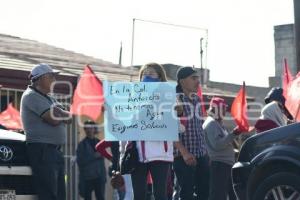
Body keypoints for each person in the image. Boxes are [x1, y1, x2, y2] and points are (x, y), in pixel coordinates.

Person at [20, 63, 72, 200]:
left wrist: (58, 113)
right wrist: (59, 113)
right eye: (51, 77)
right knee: (49, 194)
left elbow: (70, 117)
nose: (54, 80)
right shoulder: (31, 95)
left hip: (52, 151)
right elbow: (53, 119)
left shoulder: (49, 97)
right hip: (42, 150)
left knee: (59, 195)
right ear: (41, 78)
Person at [130, 63, 174, 200]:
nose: (147, 76)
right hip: (137, 154)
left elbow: (171, 123)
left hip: (160, 154)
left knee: (160, 194)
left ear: (160, 78)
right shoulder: (132, 97)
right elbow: (127, 127)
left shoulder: (169, 97)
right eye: (144, 74)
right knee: (138, 195)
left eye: (151, 73)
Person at [173, 66, 210, 200]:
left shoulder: (198, 100)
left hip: (201, 155)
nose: (198, 82)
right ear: (182, 81)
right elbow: (170, 131)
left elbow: (199, 128)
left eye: (198, 78)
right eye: (193, 78)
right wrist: (184, 152)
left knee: (204, 194)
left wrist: (205, 153)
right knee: (186, 195)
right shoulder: (175, 101)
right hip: (183, 158)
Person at [202, 97, 242, 200]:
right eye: (223, 108)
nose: (225, 111)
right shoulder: (211, 123)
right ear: (215, 109)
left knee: (230, 195)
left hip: (225, 164)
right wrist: (233, 134)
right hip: (219, 165)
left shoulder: (217, 123)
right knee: (218, 195)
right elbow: (217, 145)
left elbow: (224, 142)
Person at [76, 120, 106, 200]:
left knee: (100, 197)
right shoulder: (81, 145)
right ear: (85, 130)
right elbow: (80, 161)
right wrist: (94, 156)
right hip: (87, 177)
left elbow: (103, 160)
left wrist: (103, 177)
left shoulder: (100, 143)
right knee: (87, 198)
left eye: (91, 128)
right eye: (87, 128)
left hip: (99, 176)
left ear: (94, 129)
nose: (89, 130)